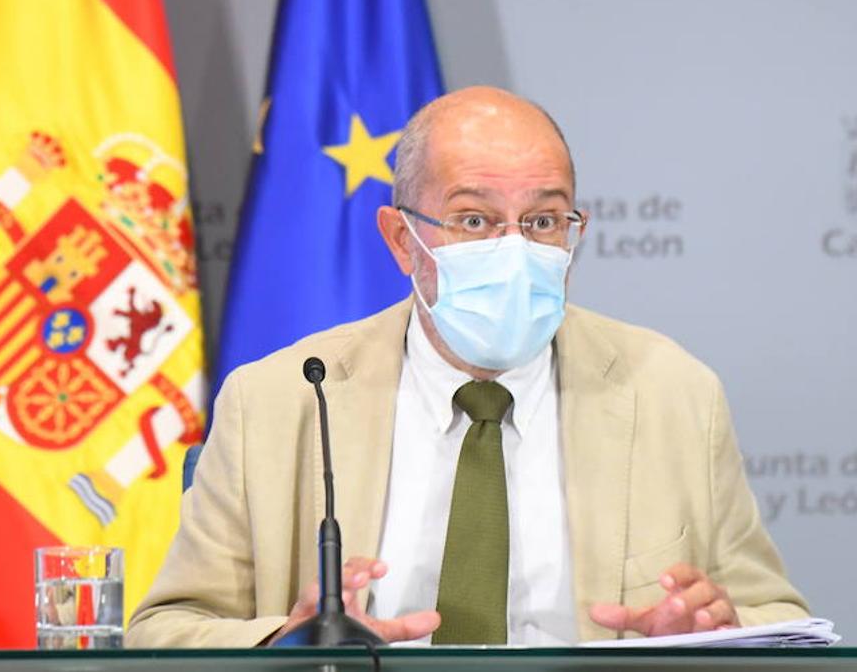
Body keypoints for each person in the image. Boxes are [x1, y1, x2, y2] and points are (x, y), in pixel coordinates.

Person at [125, 86, 807, 647]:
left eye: (543, 221)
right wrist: (289, 643)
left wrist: (712, 633)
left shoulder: (673, 394)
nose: (515, 248)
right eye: (475, 221)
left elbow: (780, 618)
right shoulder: (279, 399)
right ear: (402, 239)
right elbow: (166, 631)